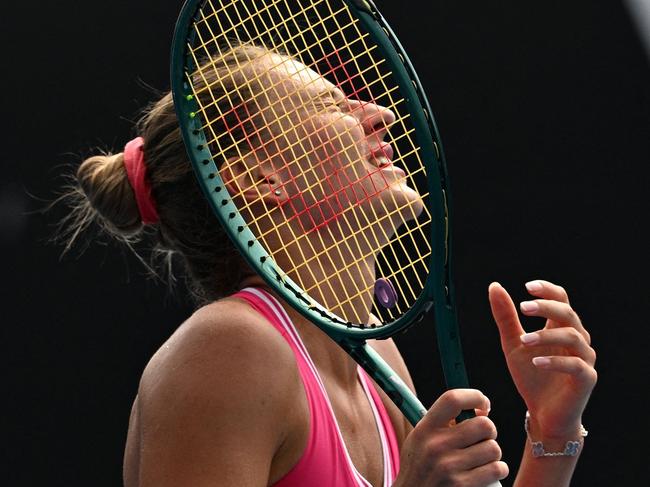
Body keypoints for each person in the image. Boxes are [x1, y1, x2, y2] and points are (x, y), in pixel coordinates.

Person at [65, 44, 597, 487]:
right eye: (330, 104)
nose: (378, 115)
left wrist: (553, 435)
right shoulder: (228, 351)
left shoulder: (375, 357)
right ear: (260, 178)